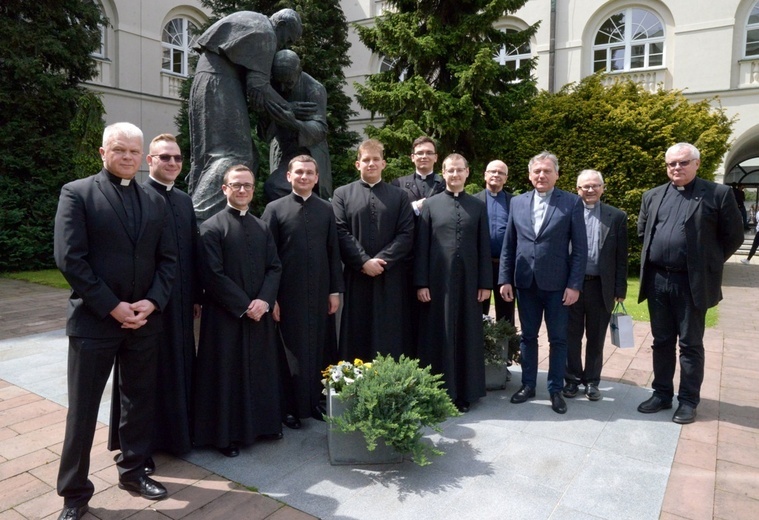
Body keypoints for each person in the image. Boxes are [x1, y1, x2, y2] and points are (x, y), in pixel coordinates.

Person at [53, 122, 176, 520]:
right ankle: (74, 494)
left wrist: (151, 304)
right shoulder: (78, 193)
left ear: (142, 157)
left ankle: (133, 472)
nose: (127, 157)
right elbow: (71, 259)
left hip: (143, 323)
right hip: (95, 322)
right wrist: (112, 306)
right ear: (103, 153)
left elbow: (168, 262)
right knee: (83, 410)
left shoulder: (156, 202)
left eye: (133, 151)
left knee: (137, 402)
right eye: (119, 150)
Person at [107, 134, 200, 469]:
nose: (172, 163)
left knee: (178, 366)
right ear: (150, 161)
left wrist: (196, 296)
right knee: (144, 377)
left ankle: (177, 436)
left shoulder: (185, 201)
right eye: (164, 158)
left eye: (176, 158)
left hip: (181, 301)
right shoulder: (140, 196)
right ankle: (138, 446)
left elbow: (189, 253)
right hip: (149, 303)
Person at [637, 143, 744, 424]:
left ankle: (687, 401)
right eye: (672, 164)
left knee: (690, 344)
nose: (677, 168)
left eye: (683, 163)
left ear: (697, 164)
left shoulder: (718, 194)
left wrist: (707, 263)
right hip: (658, 280)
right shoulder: (652, 196)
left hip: (691, 283)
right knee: (661, 341)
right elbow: (643, 231)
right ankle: (661, 394)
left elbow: (734, 237)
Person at [193, 165, 283, 456]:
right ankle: (225, 436)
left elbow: (274, 267)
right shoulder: (211, 228)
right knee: (226, 375)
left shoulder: (262, 226)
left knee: (260, 371)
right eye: (236, 185)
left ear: (253, 190)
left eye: (247, 185)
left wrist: (264, 301)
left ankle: (263, 426)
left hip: (260, 314)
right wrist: (245, 306)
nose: (242, 190)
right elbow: (212, 275)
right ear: (224, 189)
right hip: (225, 318)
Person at [188, 9, 309, 221]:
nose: (283, 46)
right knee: (235, 155)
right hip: (219, 83)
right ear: (281, 25)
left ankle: (227, 218)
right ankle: (199, 218)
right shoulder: (267, 33)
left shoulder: (255, 21)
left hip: (212, 81)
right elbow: (258, 88)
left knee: (237, 156)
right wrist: (288, 108)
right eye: (287, 39)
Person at [499, 151, 587, 415]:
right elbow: (509, 245)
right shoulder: (517, 202)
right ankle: (528, 385)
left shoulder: (571, 203)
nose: (541, 175)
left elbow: (580, 249)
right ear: (529, 175)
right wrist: (505, 278)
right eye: (537, 171)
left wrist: (574, 285)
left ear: (557, 175)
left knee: (559, 339)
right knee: (527, 337)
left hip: (559, 285)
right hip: (526, 283)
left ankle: (555, 389)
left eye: (547, 171)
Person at [261, 155, 344, 428]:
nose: (304, 177)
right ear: (289, 176)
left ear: (316, 178)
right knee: (290, 353)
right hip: (287, 295)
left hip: (320, 292)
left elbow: (333, 253)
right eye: (299, 172)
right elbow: (267, 258)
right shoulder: (274, 209)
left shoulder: (325, 209)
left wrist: (334, 291)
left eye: (310, 172)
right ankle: (290, 409)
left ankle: (313, 403)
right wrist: (270, 298)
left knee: (319, 348)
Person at [415, 154, 492, 412]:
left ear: (468, 172)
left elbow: (484, 247)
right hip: (438, 284)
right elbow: (421, 247)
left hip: (470, 284)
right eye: (450, 171)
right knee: (440, 334)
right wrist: (421, 283)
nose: (455, 175)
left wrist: (485, 283)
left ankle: (464, 393)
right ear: (443, 173)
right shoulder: (431, 205)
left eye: (460, 170)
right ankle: (438, 390)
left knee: (467, 334)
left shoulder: (478, 206)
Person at [332, 139, 415, 361]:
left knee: (390, 331)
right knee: (357, 330)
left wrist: (380, 262)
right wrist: (363, 262)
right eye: (366, 160)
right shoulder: (342, 194)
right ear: (357, 164)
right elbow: (340, 232)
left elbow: (406, 234)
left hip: (390, 277)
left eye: (375, 159)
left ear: (384, 164)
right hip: (356, 275)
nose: (371, 164)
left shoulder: (399, 196)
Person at [563, 170, 628, 402]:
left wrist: (620, 290)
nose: (590, 190)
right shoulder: (566, 213)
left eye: (594, 186)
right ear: (577, 189)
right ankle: (571, 379)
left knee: (596, 336)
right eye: (585, 186)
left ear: (603, 187)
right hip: (572, 286)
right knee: (571, 335)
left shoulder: (617, 216)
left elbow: (621, 256)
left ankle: (592, 381)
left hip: (601, 288)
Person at [263, 50, 332, 201]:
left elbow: (320, 129)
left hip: (309, 151)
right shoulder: (270, 86)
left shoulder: (314, 89)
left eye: (288, 83)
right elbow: (263, 132)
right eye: (278, 81)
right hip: (283, 152)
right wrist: (287, 109)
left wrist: (293, 123)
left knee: (279, 187)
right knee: (274, 188)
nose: (282, 88)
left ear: (298, 71)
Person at [475, 160, 515, 324]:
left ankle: (506, 349)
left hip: (505, 266)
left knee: (506, 315)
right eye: (492, 171)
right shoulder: (473, 201)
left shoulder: (514, 203)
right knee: (478, 313)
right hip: (480, 266)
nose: (496, 175)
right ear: (485, 175)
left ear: (506, 178)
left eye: (501, 173)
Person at [391, 136, 445, 216]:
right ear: (413, 157)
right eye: (420, 153)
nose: (424, 156)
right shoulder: (398, 184)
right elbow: (392, 212)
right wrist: (415, 207)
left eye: (429, 153)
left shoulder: (444, 184)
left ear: (435, 158)